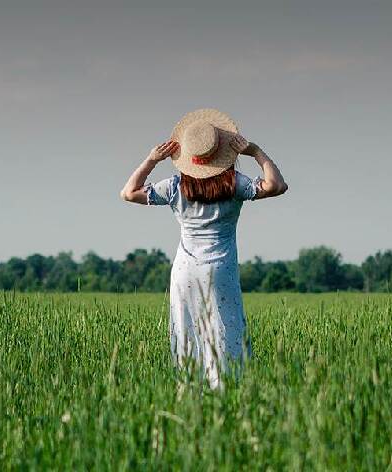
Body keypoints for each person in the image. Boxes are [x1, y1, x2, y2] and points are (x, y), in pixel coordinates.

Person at [120, 108, 287, 389]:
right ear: (222, 152)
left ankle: (191, 391)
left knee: (187, 332)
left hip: (185, 271)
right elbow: (277, 186)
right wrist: (257, 152)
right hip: (220, 270)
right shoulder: (235, 185)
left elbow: (128, 192)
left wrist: (152, 159)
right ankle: (225, 390)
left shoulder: (175, 186)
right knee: (226, 329)